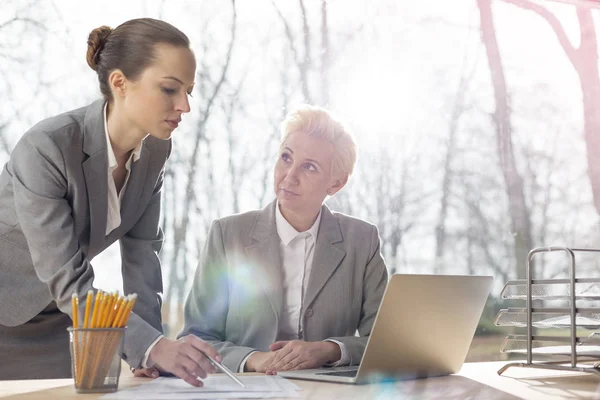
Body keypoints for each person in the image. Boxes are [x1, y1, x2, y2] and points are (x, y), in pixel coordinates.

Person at [0, 18, 219, 386]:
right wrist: (151, 345)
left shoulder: (155, 150)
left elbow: (143, 255)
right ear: (119, 83)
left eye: (189, 91)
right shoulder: (47, 148)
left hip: (61, 318)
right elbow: (68, 280)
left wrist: (149, 352)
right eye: (169, 89)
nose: (185, 106)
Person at [179, 105, 389, 373]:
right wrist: (254, 359)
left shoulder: (362, 240)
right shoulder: (227, 234)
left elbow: (383, 342)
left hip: (326, 393)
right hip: (247, 389)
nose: (290, 176)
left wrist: (330, 349)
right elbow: (196, 337)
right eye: (286, 158)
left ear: (336, 184)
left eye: (309, 167)